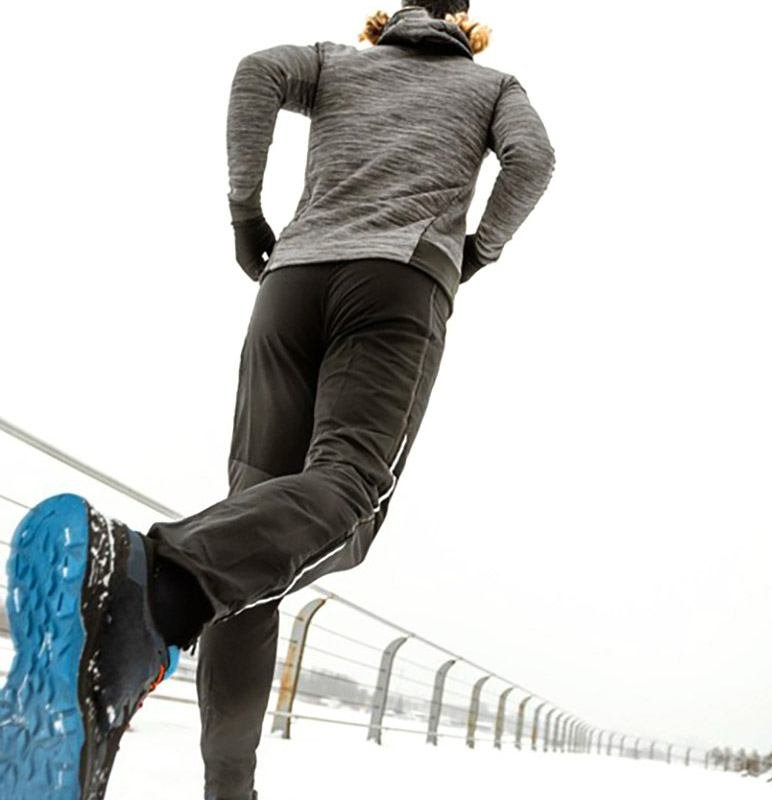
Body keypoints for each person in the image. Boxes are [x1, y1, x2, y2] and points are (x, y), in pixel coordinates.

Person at [0, 3, 555, 799]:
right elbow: (533, 160)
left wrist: (244, 212)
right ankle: (148, 581)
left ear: (389, 18)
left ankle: (223, 781)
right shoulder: (494, 85)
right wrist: (475, 250)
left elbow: (257, 71)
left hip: (289, 285)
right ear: (465, 26)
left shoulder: (335, 60)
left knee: (255, 537)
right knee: (348, 498)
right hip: (395, 283)